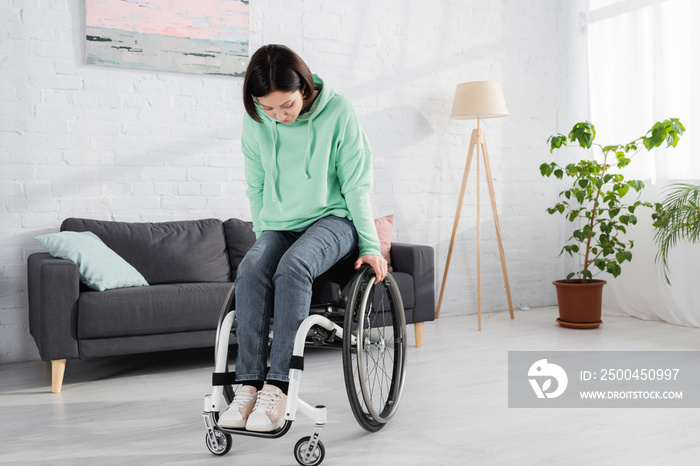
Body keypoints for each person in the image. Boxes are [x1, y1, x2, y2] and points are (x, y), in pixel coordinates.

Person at [218, 44, 387, 432]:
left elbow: (357, 185)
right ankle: (247, 385)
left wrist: (371, 245)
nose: (279, 116)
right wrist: (264, 241)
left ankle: (277, 386)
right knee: (251, 267)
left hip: (334, 219)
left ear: (305, 88)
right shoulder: (256, 118)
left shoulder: (339, 111)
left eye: (287, 105)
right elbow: (257, 186)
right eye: (270, 108)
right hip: (280, 223)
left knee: (294, 266)